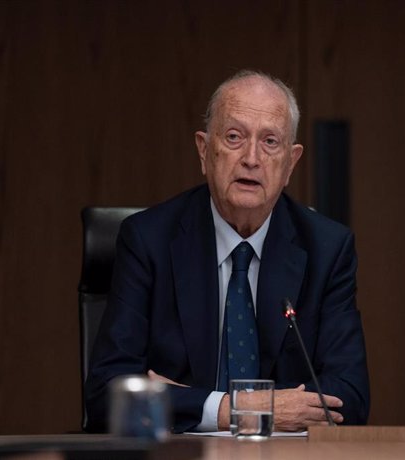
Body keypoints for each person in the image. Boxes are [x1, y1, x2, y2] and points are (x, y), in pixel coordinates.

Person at [84, 70, 370, 433]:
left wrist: (188, 401)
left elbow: (350, 399)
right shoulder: (148, 240)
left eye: (270, 142)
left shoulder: (327, 250)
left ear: (291, 164)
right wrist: (239, 409)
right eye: (234, 137)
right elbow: (108, 393)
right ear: (204, 150)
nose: (251, 158)